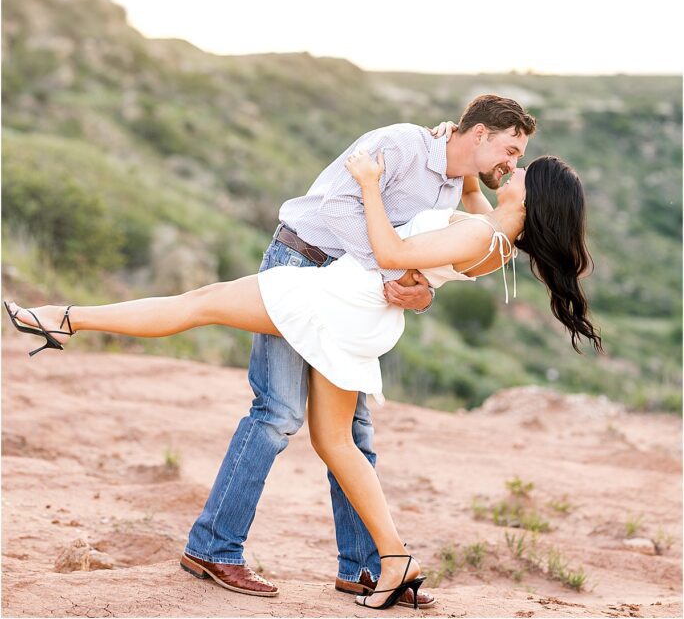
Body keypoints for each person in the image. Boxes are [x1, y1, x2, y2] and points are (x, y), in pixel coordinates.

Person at [5, 118, 602, 609]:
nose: (511, 168)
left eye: (523, 167)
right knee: (338, 440)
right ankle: (387, 561)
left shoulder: (481, 238)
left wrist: (369, 183)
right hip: (357, 312)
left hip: (332, 298)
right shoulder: (488, 232)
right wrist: (467, 185)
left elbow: (394, 252)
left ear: (532, 195)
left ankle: (66, 317)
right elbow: (459, 225)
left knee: (200, 306)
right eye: (511, 153)